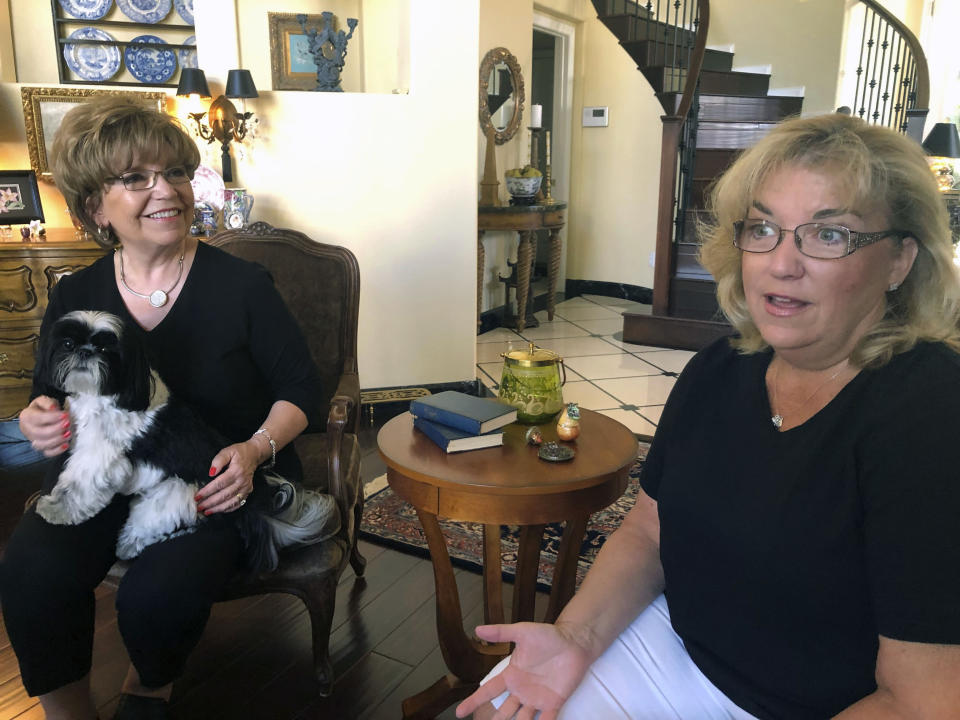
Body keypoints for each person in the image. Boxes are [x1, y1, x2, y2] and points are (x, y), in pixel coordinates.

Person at [456, 113, 960, 719]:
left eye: (829, 236)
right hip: (674, 646)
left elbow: (924, 701)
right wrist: (575, 640)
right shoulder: (721, 367)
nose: (781, 263)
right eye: (764, 228)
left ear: (900, 260)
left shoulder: (930, 415)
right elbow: (649, 531)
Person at [0, 97, 320, 720]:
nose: (165, 190)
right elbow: (50, 388)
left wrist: (254, 451)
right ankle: (66, 711)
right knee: (32, 571)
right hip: (98, 473)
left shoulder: (243, 286)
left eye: (174, 171)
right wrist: (38, 416)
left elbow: (300, 390)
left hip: (213, 481)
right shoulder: (77, 291)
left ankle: (149, 686)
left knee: (158, 594)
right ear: (95, 205)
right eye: (134, 177)